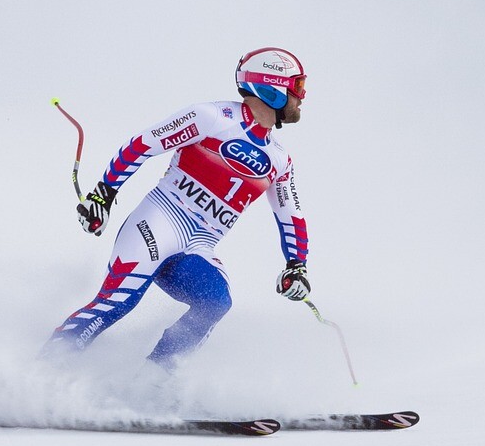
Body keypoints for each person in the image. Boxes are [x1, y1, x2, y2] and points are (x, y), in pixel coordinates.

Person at [44, 47, 311, 372]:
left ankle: (152, 381)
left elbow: (291, 216)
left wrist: (297, 266)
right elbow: (142, 145)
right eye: (297, 86)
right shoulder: (212, 117)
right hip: (158, 223)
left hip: (198, 247)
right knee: (117, 303)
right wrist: (103, 195)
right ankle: (42, 370)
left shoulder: (280, 160)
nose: (302, 96)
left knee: (215, 303)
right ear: (272, 88)